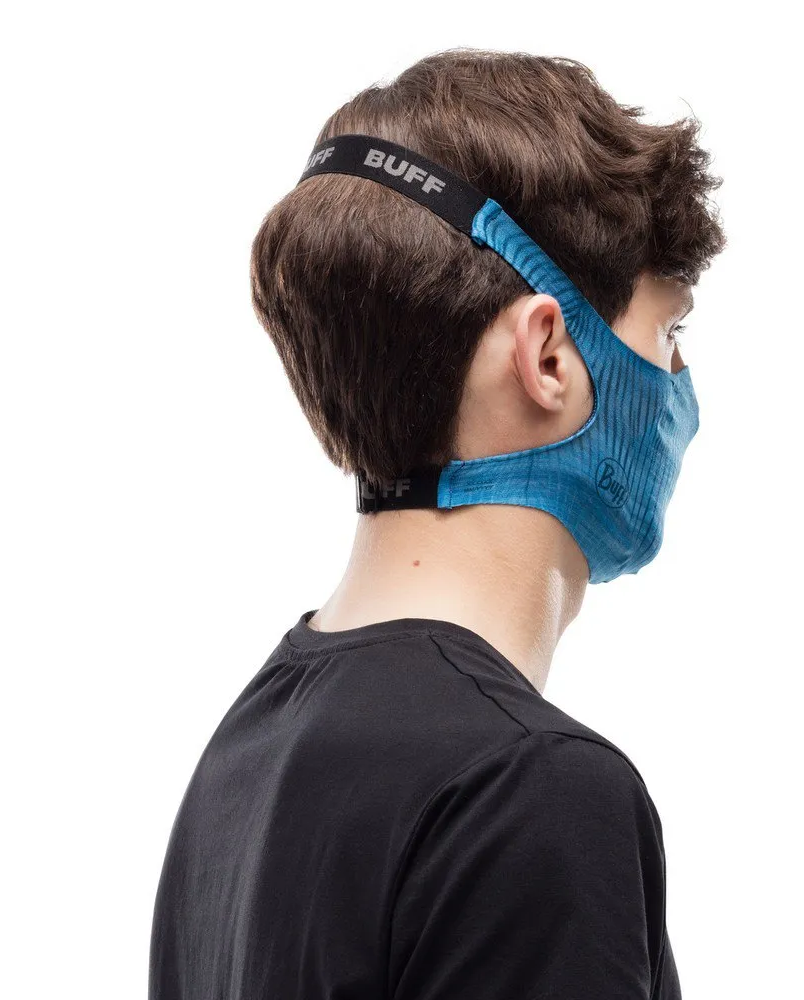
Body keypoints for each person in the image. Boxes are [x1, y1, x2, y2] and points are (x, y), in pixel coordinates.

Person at [150, 47, 726, 1000]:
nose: (679, 384)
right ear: (548, 356)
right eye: (669, 332)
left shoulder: (245, 755)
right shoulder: (529, 788)